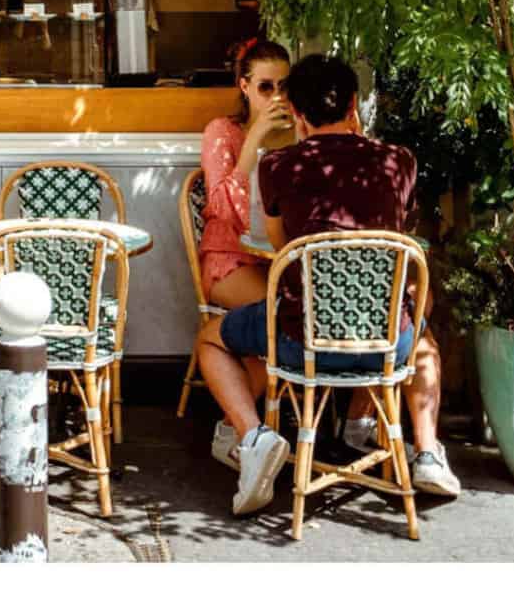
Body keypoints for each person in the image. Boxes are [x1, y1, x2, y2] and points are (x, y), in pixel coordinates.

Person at [195, 53, 461, 515]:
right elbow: (402, 234)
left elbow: (283, 248)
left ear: (296, 113)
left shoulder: (278, 166)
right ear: (354, 104)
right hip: (386, 344)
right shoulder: (399, 161)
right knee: (423, 336)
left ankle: (254, 438)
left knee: (210, 342)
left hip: (302, 342)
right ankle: (426, 453)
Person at [196, 38, 293, 471]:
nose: (277, 97)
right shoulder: (224, 133)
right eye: (266, 87)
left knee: (294, 318)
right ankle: (238, 430)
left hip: (285, 260)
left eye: (285, 87)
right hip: (231, 259)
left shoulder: (300, 133)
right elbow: (220, 207)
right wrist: (254, 140)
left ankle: (239, 427)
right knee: (281, 321)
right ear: (245, 86)